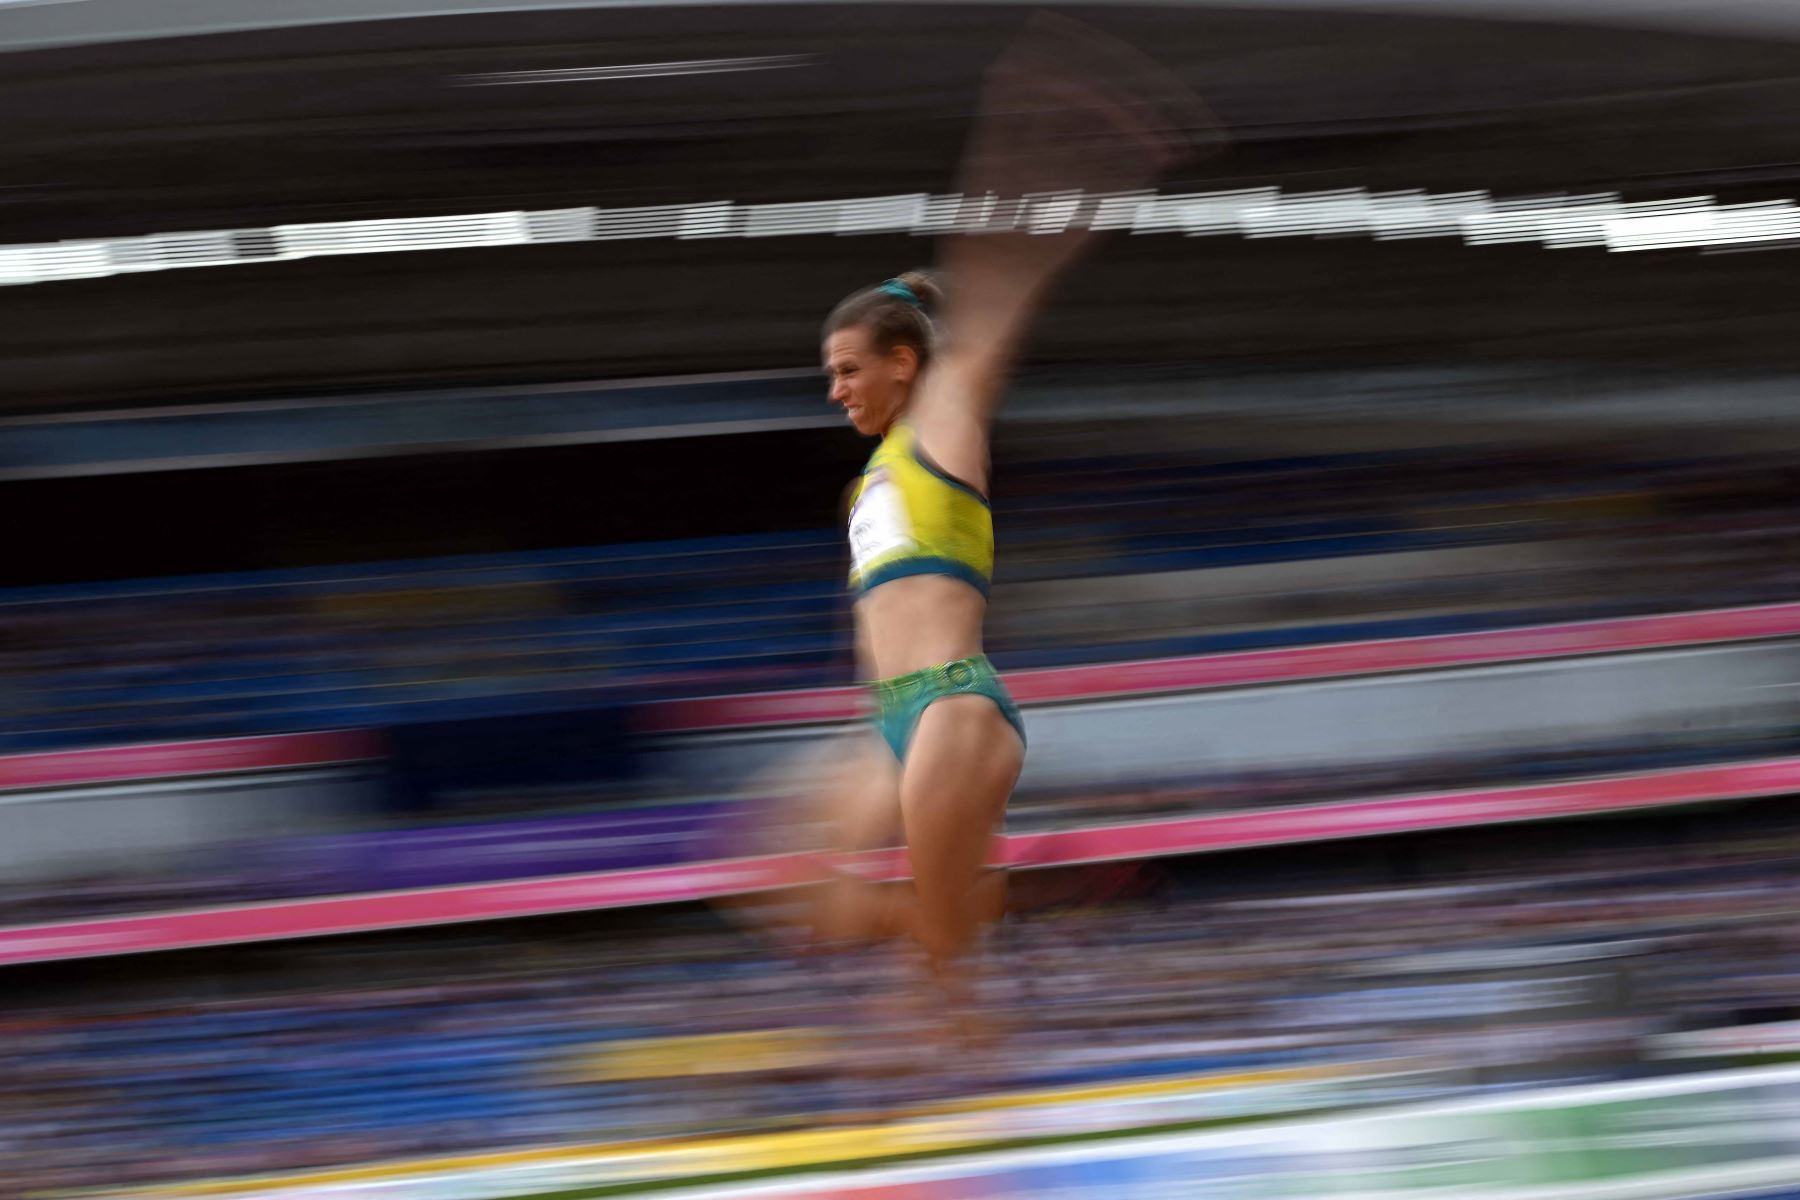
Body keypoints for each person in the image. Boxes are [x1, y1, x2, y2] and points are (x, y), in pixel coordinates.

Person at [741, 14, 1216, 1031]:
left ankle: (1006, 934)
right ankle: (1030, 896)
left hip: (954, 708)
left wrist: (1041, 140)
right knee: (787, 892)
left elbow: (996, 282)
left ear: (905, 365)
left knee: (949, 989)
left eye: (849, 370)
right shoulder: (872, 479)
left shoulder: (942, 423)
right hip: (888, 723)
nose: (835, 389)